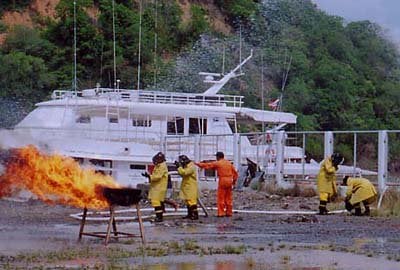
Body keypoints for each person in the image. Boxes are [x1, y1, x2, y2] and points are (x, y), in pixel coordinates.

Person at [195, 152, 238, 217]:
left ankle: (221, 213)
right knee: (228, 198)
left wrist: (197, 164)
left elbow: (207, 165)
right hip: (229, 180)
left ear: (218, 157)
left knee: (221, 197)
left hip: (223, 180)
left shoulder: (218, 163)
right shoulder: (229, 163)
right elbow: (235, 173)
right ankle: (229, 212)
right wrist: (234, 182)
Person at [142, 152, 168, 222]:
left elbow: (158, 177)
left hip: (159, 187)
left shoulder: (162, 166)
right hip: (157, 186)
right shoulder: (159, 165)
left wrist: (149, 176)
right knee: (158, 201)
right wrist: (149, 176)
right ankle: (159, 216)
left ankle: (159, 217)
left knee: (156, 201)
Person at [175, 155, 198, 220]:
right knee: (188, 201)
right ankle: (190, 214)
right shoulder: (187, 166)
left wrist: (179, 167)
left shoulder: (191, 166)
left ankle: (195, 215)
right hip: (187, 186)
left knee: (192, 201)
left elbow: (184, 173)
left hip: (191, 186)